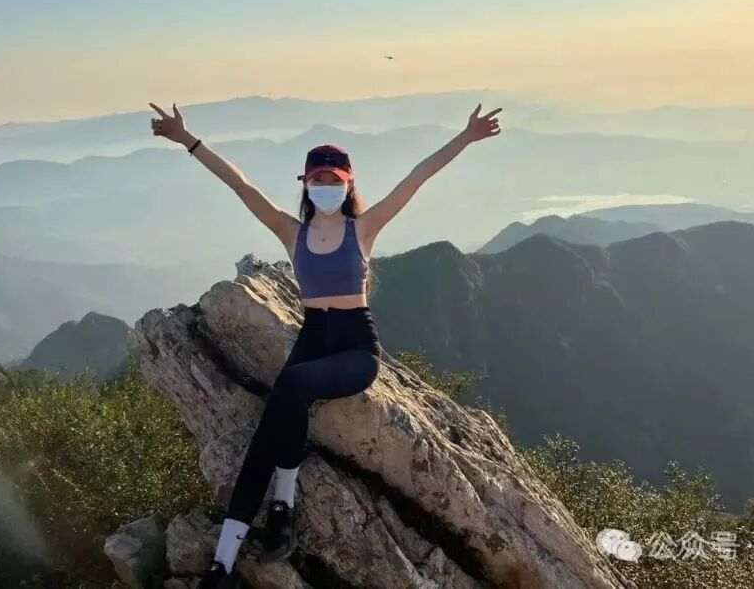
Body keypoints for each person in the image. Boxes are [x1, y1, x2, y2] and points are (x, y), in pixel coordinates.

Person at [149, 100, 502, 587]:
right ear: (306, 185)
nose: (326, 186)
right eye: (318, 179)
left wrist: (466, 136)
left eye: (334, 179)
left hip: (356, 348)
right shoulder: (290, 232)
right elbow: (240, 185)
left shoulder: (364, 228)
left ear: (349, 184)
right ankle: (222, 564)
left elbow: (417, 177)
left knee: (291, 386)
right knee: (267, 433)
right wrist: (187, 139)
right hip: (313, 337)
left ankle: (283, 506)